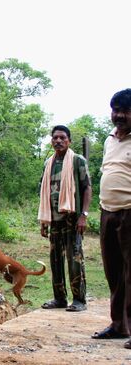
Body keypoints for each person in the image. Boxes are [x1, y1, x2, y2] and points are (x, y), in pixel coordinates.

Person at [92, 89, 131, 347]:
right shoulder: (109, 140)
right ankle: (119, 325)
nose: (118, 115)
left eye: (124, 110)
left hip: (130, 212)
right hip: (108, 212)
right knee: (113, 271)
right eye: (114, 109)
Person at [38, 125, 92, 312]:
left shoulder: (77, 161)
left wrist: (83, 215)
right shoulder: (48, 163)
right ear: (51, 141)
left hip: (72, 218)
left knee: (74, 258)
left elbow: (87, 188)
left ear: (69, 141)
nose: (58, 141)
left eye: (62, 138)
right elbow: (44, 192)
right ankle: (59, 298)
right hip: (53, 219)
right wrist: (44, 221)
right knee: (55, 259)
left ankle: (79, 299)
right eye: (55, 138)